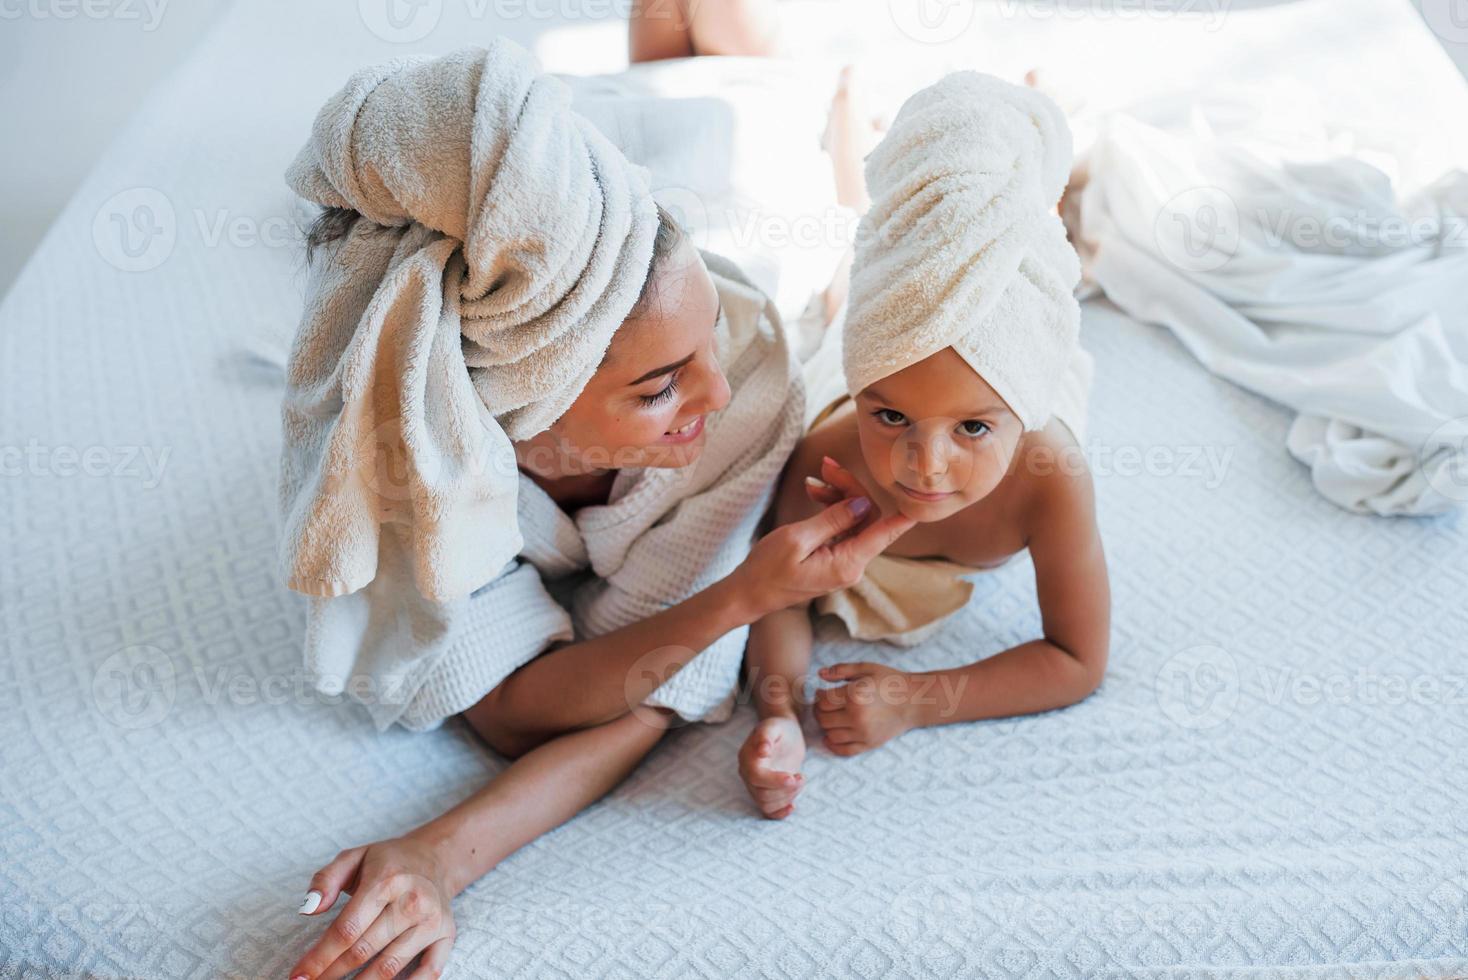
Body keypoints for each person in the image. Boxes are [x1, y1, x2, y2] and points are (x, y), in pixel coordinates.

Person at [283, 6, 912, 980]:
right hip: (619, 171)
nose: (709, 391)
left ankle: (805, 85)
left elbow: (642, 694)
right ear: (514, 418)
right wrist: (737, 594)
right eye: (659, 388)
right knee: (669, 50)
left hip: (717, 181)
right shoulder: (424, 441)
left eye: (702, 354)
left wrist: (447, 851)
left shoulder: (742, 391)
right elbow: (508, 707)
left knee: (742, 70)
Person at [737, 71, 1111, 820]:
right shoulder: (830, 456)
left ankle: (1039, 137)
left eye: (972, 428)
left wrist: (919, 700)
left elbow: (1076, 661)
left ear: (1013, 417)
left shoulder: (1049, 475)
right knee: (848, 282)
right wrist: (778, 711)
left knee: (1036, 245)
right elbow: (780, 595)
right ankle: (852, 136)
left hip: (1019, 368)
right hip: (872, 330)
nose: (925, 466)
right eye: (891, 418)